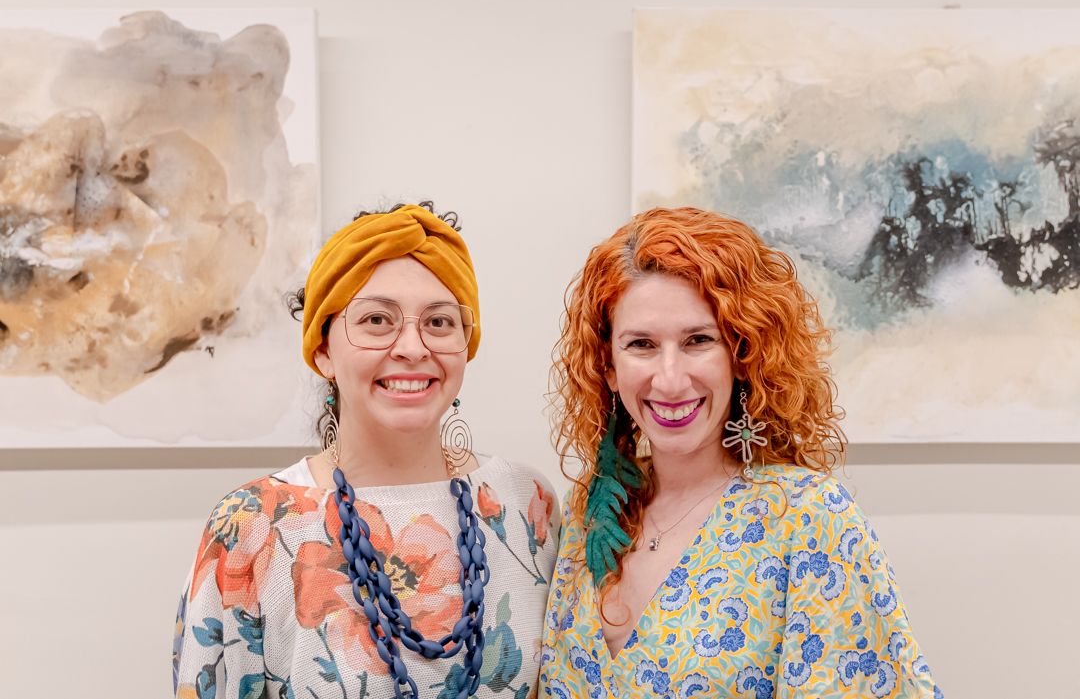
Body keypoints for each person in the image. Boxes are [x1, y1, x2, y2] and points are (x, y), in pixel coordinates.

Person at [539, 207, 942, 698]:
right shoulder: (587, 511)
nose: (670, 379)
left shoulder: (809, 517)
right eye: (641, 344)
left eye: (698, 341)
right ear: (608, 367)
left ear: (742, 353)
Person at [173, 203, 560, 699]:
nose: (413, 348)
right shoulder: (250, 526)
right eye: (377, 319)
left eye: (439, 322)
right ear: (322, 350)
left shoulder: (527, 503)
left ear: (466, 344)